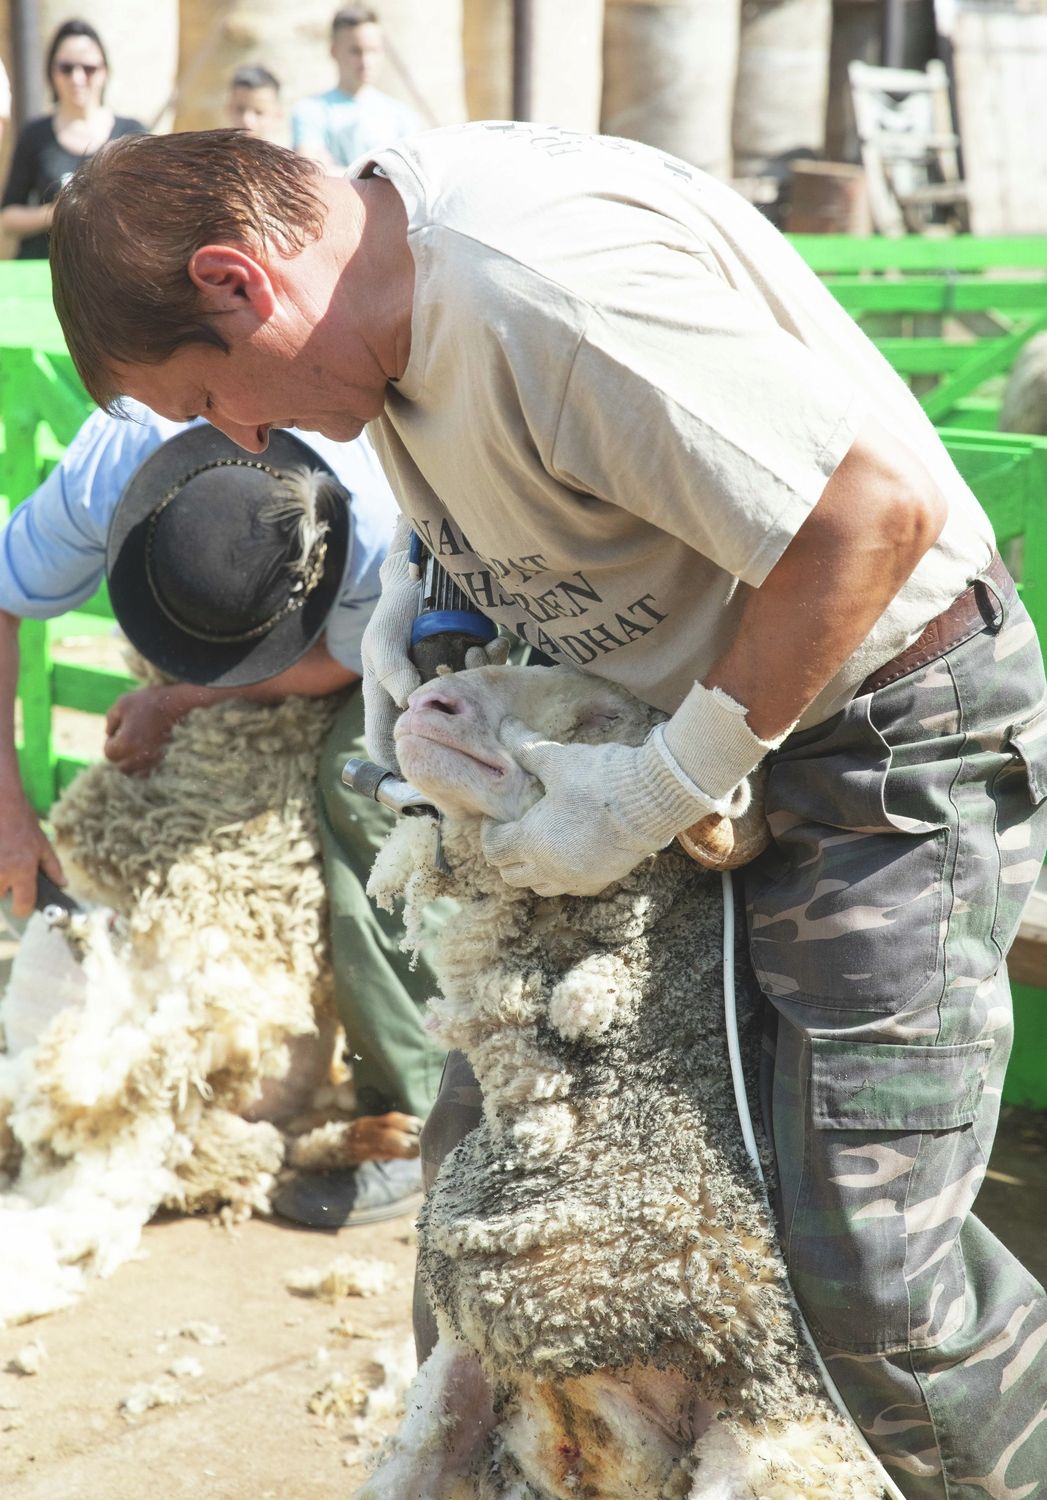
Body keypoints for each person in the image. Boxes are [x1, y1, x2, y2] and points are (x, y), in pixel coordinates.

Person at [47, 124, 1047, 1496]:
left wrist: (653, 789)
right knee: (506, 1204)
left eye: (205, 397)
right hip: (663, 717)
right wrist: (429, 625)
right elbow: (523, 504)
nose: (240, 436)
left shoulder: (538, 291)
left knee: (866, 1266)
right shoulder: (376, 331)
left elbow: (863, 521)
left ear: (236, 282)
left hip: (877, 721)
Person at [0, 405, 447, 1227]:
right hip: (237, 640)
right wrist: (7, 809)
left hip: (410, 616)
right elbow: (4, 597)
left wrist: (180, 697)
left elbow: (352, 658)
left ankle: (415, 1108)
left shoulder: (378, 522)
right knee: (120, 832)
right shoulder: (113, 460)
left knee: (370, 800)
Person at [0, 19, 144, 260]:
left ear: (104, 71)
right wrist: (55, 213)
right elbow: (7, 217)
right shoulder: (35, 134)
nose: (77, 78)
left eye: (88, 68)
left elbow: (154, 212)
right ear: (52, 73)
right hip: (46, 272)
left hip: (116, 273)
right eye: (66, 68)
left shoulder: (132, 134)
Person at [290, 6, 418, 171]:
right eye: (355, 51)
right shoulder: (309, 110)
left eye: (373, 50)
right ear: (334, 51)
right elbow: (312, 176)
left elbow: (410, 180)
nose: (365, 62)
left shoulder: (402, 115)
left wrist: (334, 170)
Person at [225, 63, 284, 144]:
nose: (247, 120)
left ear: (278, 115)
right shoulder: (212, 154)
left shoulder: (289, 155)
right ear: (228, 108)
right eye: (240, 109)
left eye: (259, 112)